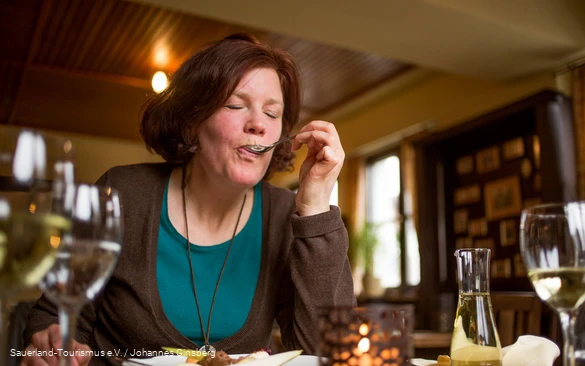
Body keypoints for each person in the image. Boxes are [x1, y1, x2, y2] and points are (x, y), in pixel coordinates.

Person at [22, 33, 355, 366]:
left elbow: (327, 352)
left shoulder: (284, 215)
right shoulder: (121, 193)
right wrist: (54, 344)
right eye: (235, 105)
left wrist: (314, 207)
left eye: (272, 114)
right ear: (194, 121)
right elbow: (54, 314)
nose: (258, 125)